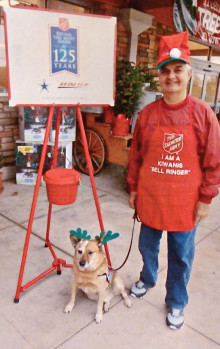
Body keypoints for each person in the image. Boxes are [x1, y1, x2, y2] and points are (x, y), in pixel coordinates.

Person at [126, 31, 220, 330]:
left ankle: (177, 301)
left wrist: (205, 199)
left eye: (178, 70)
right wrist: (133, 188)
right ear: (159, 77)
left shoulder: (203, 114)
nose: (171, 77)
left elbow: (213, 161)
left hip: (185, 202)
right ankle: (147, 278)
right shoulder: (148, 114)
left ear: (189, 73)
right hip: (151, 197)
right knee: (147, 247)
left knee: (180, 255)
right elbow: (136, 157)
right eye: (165, 71)